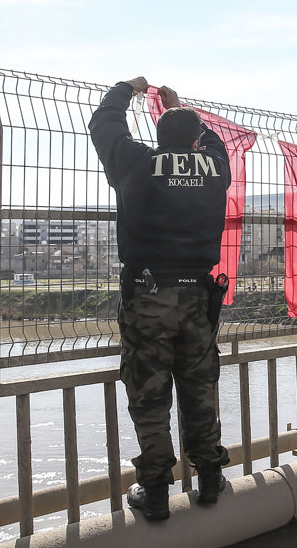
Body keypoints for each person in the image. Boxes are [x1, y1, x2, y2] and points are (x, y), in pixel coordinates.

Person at [89, 76, 231, 521]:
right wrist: (177, 106)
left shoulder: (135, 162)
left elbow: (104, 124)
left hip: (148, 293)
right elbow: (212, 141)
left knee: (149, 393)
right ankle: (210, 477)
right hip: (198, 297)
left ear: (157, 136)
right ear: (195, 139)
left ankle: (154, 491)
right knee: (199, 384)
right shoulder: (216, 167)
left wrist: (126, 90)